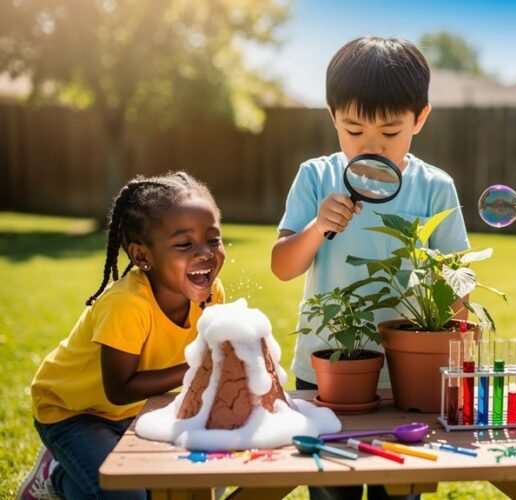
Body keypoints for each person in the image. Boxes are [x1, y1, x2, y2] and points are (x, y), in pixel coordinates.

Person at [271, 36, 469, 500]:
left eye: (390, 133)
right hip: (328, 370)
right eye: (354, 131)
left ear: (420, 119)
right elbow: (282, 267)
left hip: (406, 375)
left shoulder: (435, 187)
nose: (371, 147)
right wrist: (318, 226)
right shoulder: (316, 176)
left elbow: (458, 287)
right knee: (331, 489)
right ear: (332, 116)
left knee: (399, 489)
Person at [17, 172, 226, 500]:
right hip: (73, 413)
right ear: (142, 256)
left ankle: (74, 472)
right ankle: (54, 477)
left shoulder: (210, 292)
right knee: (128, 497)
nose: (206, 253)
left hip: (136, 410)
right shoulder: (127, 305)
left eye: (213, 239)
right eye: (185, 244)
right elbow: (119, 388)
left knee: (192, 475)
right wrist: (197, 368)